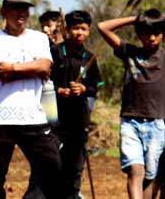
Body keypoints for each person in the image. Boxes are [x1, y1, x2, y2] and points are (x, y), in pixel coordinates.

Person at [97, 9, 165, 199]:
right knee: (135, 171)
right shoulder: (129, 52)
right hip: (131, 121)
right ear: (139, 34)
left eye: (156, 33)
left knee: (149, 175)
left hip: (156, 123)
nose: (151, 37)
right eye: (146, 33)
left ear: (163, 34)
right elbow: (102, 27)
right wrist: (136, 20)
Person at [0, 0, 62, 199]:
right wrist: (32, 67)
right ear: (4, 11)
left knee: (54, 170)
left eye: (25, 9)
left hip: (33, 117)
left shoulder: (39, 38)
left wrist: (15, 68)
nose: (21, 14)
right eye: (16, 8)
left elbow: (45, 68)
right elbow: (3, 73)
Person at [50, 10, 102, 199]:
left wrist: (84, 88)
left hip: (79, 122)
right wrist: (58, 90)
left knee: (74, 170)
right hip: (54, 121)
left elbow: (96, 85)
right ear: (67, 29)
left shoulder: (89, 57)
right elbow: (42, 82)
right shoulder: (55, 52)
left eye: (84, 29)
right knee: (51, 168)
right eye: (75, 28)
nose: (80, 33)